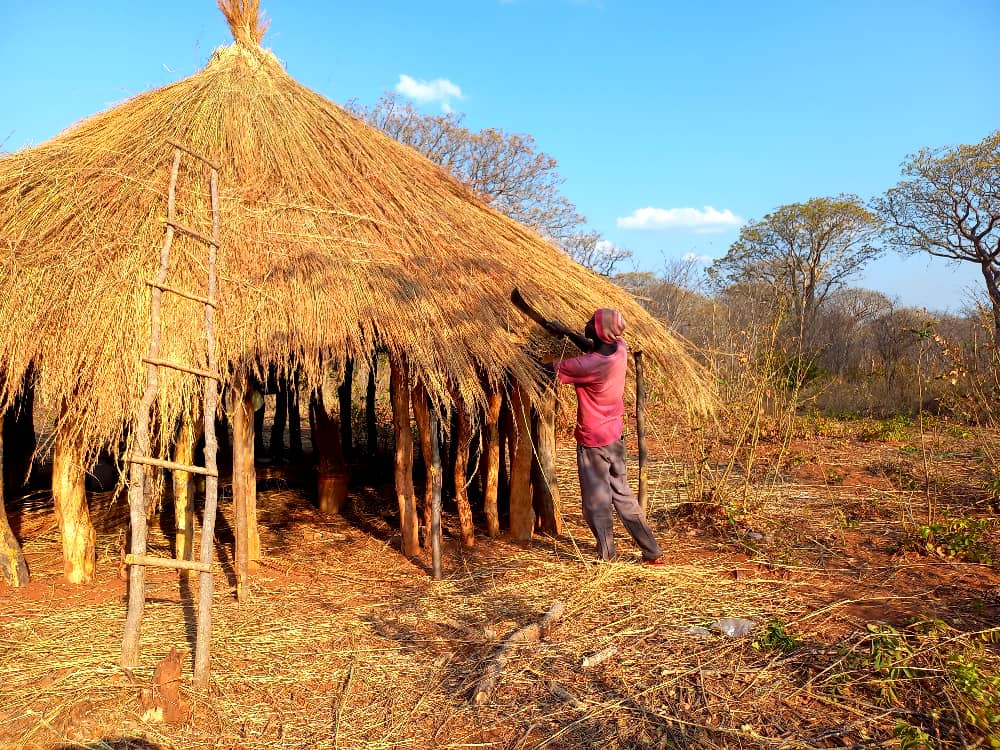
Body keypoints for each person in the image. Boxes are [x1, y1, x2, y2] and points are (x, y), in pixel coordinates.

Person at [544, 308, 664, 565]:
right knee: (622, 494)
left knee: (595, 501)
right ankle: (651, 550)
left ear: (599, 331)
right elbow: (591, 346)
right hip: (614, 437)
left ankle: (607, 555)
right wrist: (566, 333)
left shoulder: (587, 365)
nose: (586, 324)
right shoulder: (619, 348)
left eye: (591, 323)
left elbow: (548, 370)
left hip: (593, 442)